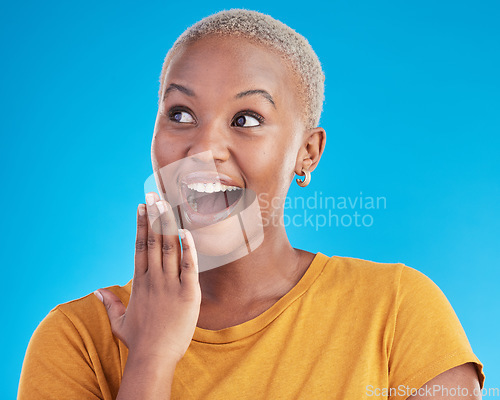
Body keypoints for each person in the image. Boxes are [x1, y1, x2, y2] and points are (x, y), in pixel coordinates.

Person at [18, 9, 485, 400]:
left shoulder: (397, 308)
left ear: (308, 153)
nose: (204, 147)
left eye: (246, 119)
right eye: (180, 114)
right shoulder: (77, 337)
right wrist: (151, 357)